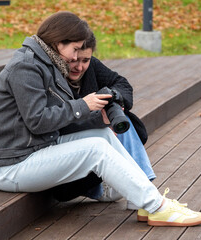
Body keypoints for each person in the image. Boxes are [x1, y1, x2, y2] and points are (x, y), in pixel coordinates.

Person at [0, 11, 201, 227]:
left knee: (103, 135)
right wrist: (84, 105)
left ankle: (148, 203)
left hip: (37, 148)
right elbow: (37, 120)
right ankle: (158, 208)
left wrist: (95, 113)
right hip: (12, 166)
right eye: (75, 49)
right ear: (57, 42)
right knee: (95, 149)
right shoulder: (26, 66)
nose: (76, 58)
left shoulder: (47, 63)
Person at [49, 32, 156, 213]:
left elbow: (122, 83)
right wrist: (96, 121)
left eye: (85, 60)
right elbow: (60, 125)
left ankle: (145, 187)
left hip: (103, 173)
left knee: (120, 116)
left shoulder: (91, 67)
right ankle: (146, 194)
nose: (79, 66)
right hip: (77, 175)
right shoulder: (52, 77)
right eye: (74, 60)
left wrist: (114, 96)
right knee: (106, 124)